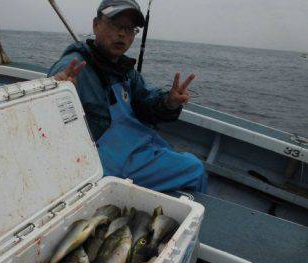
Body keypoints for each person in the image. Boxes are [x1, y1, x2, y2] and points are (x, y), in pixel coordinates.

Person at [48, 0, 207, 193]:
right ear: (96, 25)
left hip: (134, 149)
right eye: (115, 25)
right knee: (195, 169)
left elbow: (145, 104)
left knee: (180, 158)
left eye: (130, 29)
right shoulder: (72, 68)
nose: (122, 34)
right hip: (106, 164)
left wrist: (169, 102)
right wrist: (57, 95)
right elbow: (48, 130)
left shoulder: (125, 70)